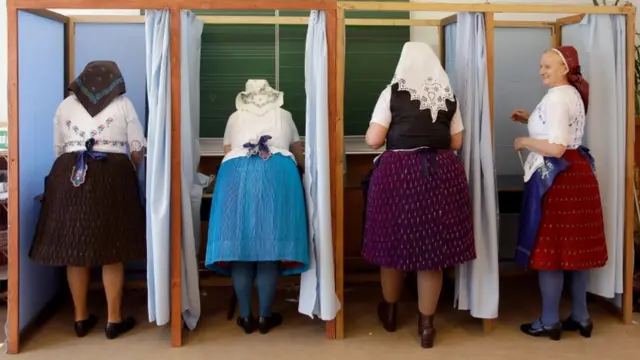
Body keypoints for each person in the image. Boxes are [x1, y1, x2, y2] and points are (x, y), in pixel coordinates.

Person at [362, 42, 476, 349]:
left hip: (399, 174)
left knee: (392, 246)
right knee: (432, 255)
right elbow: (456, 142)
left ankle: (390, 311)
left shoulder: (392, 93)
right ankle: (426, 326)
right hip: (441, 173)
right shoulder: (448, 96)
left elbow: (374, 140)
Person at [30, 61, 147, 339]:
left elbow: (58, 148)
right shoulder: (123, 104)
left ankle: (81, 318)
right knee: (113, 248)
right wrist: (131, 171)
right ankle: (113, 320)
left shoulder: (65, 105)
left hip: (69, 175)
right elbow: (137, 148)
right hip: (113, 175)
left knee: (75, 249)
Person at [512, 46, 607, 340]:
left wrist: (524, 140)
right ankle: (581, 316)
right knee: (574, 249)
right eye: (540, 66)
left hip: (558, 177)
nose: (542, 71)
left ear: (564, 68)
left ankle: (550, 321)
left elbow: (556, 147)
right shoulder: (572, 94)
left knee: (550, 250)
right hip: (579, 172)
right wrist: (529, 118)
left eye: (547, 66)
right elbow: (560, 131)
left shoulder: (556, 98)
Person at [205, 79, 308, 335]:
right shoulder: (285, 116)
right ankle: (264, 316)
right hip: (278, 174)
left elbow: (228, 150)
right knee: (269, 247)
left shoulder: (234, 117)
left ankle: (244, 316)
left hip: (236, 175)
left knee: (241, 248)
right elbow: (299, 153)